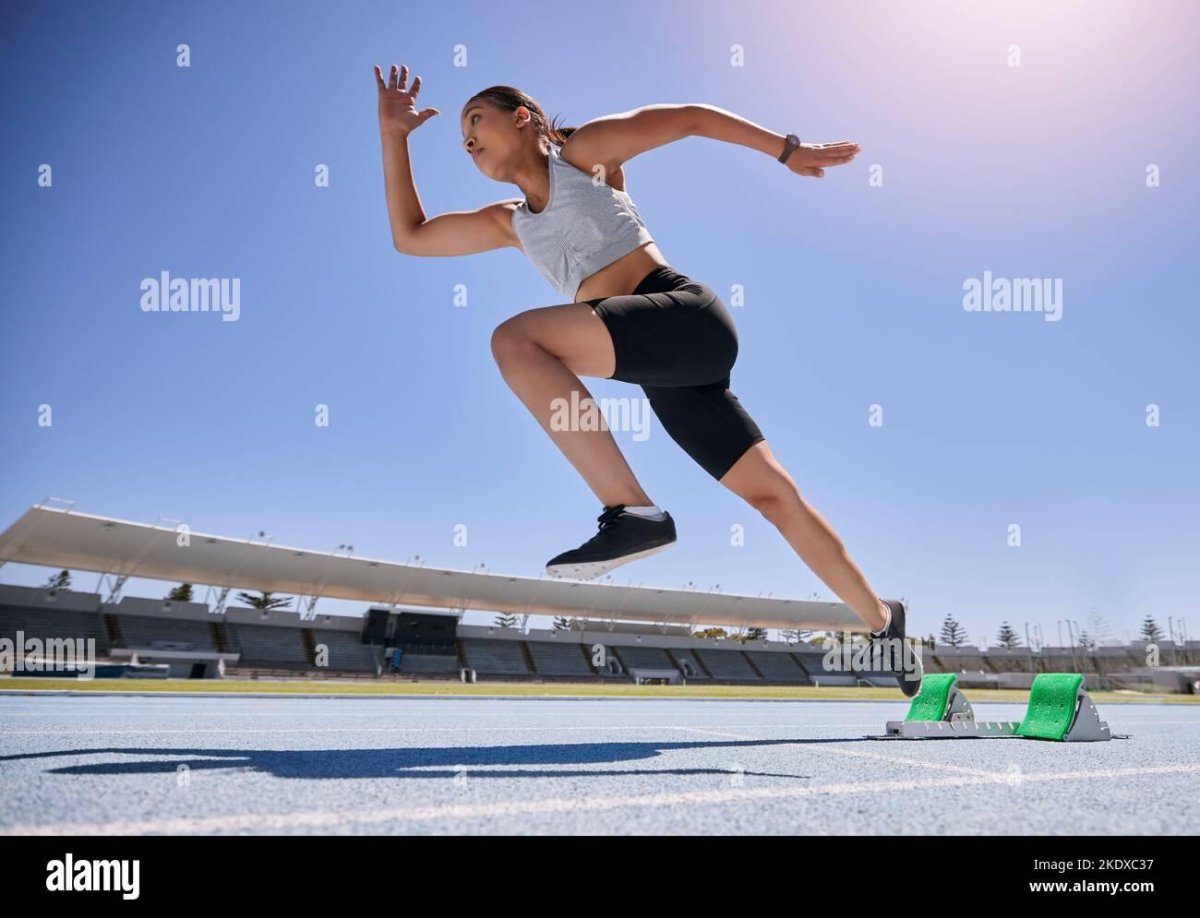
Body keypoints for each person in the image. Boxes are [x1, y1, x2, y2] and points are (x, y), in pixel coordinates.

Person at [374, 64, 922, 695]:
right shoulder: (509, 221)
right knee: (774, 497)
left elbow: (690, 118)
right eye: (461, 137)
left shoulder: (584, 157)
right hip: (662, 369)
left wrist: (787, 150)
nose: (467, 139)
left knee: (516, 340)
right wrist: (395, 136)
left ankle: (630, 511)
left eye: (476, 120)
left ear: (523, 116)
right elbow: (410, 238)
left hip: (683, 316)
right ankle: (885, 624)